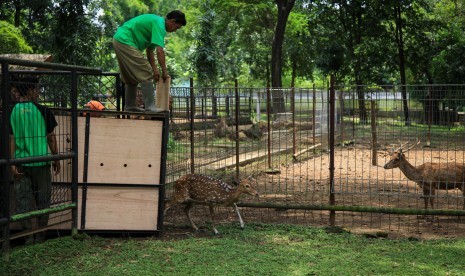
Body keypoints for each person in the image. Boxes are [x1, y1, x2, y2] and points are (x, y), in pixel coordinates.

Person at [9, 76, 61, 244]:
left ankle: (28, 238)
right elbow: (51, 138)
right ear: (30, 90)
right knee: (43, 201)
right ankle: (40, 237)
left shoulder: (11, 111)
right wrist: (57, 158)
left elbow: (11, 139)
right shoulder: (44, 111)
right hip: (41, 163)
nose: (38, 92)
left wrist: (12, 163)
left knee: (23, 201)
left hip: (21, 164)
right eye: (37, 89)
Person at [113, 10, 186, 112]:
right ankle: (150, 106)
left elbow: (150, 50)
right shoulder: (159, 25)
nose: (175, 30)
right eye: (177, 27)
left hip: (119, 40)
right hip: (125, 40)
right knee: (146, 71)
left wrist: (156, 70)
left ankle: (129, 106)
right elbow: (160, 51)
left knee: (130, 76)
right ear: (172, 21)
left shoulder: (156, 23)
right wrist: (164, 72)